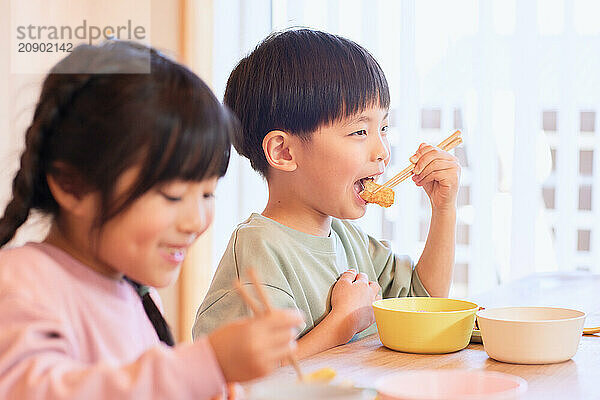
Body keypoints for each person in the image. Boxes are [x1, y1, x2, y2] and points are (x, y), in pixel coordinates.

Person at [0, 40, 302, 399]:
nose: (195, 221)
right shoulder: (20, 283)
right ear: (72, 186)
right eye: (172, 195)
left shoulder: (135, 289)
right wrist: (208, 364)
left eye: (207, 194)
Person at [193, 29, 461, 359]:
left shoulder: (349, 238)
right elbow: (244, 376)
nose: (383, 151)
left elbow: (425, 303)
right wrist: (341, 324)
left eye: (384, 128)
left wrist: (444, 208)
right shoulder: (258, 252)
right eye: (360, 131)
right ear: (284, 151)